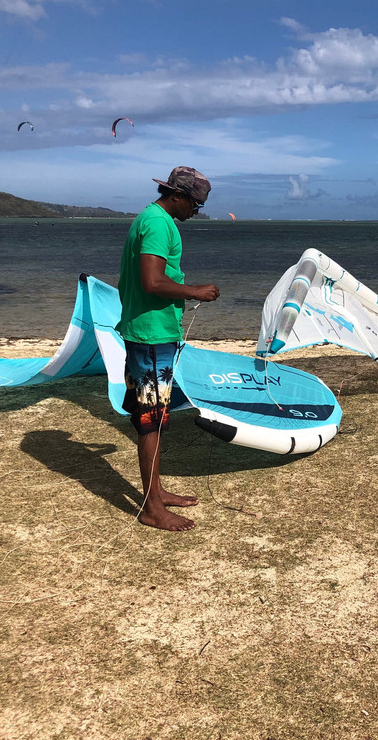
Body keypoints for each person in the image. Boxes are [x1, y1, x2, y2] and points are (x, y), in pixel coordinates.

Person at [117, 166, 220, 531]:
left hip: (147, 333)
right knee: (151, 421)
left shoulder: (150, 218)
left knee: (153, 417)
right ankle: (151, 508)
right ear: (177, 195)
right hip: (151, 337)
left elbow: (139, 280)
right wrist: (196, 292)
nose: (197, 210)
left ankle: (155, 492)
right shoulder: (160, 224)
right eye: (195, 203)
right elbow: (151, 281)